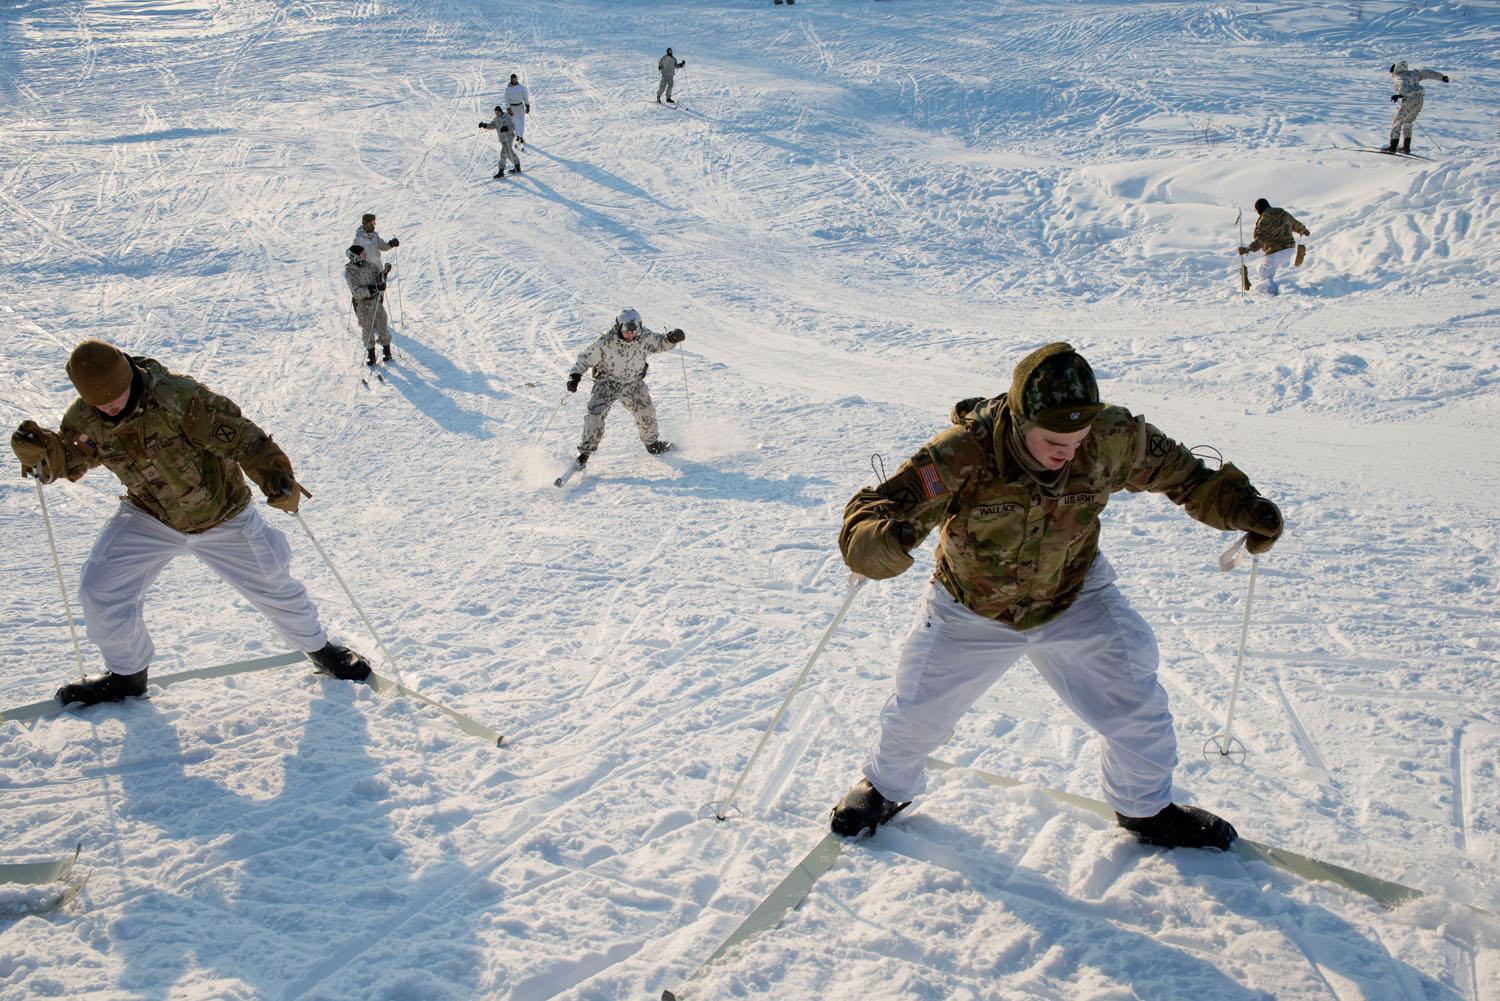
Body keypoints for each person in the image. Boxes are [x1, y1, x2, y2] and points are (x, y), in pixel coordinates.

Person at [830, 342, 1284, 851]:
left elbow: (1187, 477)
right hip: (971, 605)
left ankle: (1145, 809)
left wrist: (1241, 508)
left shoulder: (1113, 436)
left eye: (1079, 433)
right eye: (1053, 438)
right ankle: (886, 788)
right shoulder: (963, 452)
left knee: (1136, 694)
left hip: (1073, 594)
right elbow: (876, 508)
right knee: (918, 708)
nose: (1069, 448)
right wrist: (880, 541)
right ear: (1022, 420)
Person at [9, 340, 374, 708]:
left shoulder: (176, 398)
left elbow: (243, 438)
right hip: (150, 514)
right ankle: (127, 676)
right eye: (99, 404)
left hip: (223, 513)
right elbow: (70, 459)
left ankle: (320, 649)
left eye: (115, 397)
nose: (109, 407)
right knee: (99, 588)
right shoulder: (86, 416)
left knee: (273, 582)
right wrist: (42, 453)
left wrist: (275, 477)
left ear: (127, 377)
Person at [564, 308, 686, 467]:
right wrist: (575, 376)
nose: (631, 335)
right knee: (595, 412)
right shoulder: (605, 342)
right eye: (627, 332)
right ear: (619, 327)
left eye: (634, 331)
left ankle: (652, 444)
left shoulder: (644, 337)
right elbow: (584, 360)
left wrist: (671, 339)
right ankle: (585, 453)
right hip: (607, 381)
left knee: (645, 411)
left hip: (633, 382)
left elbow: (660, 343)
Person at [1238, 198, 1309, 296]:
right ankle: (1283, 288)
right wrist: (1304, 230)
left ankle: (1268, 295)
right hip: (1290, 250)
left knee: (1264, 275)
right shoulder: (1282, 213)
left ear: (1258, 209)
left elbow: (1260, 238)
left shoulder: (1264, 220)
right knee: (1265, 269)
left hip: (1274, 252)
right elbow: (1295, 224)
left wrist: (1249, 249)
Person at [1386, 60, 1449, 153]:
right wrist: (1441, 77)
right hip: (1419, 100)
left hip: (1409, 100)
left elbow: (1403, 84)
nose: (1391, 75)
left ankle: (1392, 147)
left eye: (1391, 73)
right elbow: (1427, 73)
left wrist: (1399, 95)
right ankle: (1406, 147)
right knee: (1408, 121)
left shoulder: (1399, 76)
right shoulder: (1414, 73)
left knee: (1397, 122)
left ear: (1394, 71)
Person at [344, 244, 390, 365]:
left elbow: (378, 278)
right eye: (362, 253)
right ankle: (371, 354)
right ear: (355, 256)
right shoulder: (350, 272)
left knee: (382, 324)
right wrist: (375, 288)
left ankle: (387, 351)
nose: (365, 254)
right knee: (367, 329)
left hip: (375, 302)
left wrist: (384, 273)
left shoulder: (370, 266)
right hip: (363, 305)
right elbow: (357, 292)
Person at [479, 105, 522, 178]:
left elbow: (512, 127)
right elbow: (492, 125)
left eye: (498, 112)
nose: (496, 114)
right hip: (502, 139)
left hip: (508, 138)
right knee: (509, 153)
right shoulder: (496, 119)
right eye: (495, 113)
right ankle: (517, 166)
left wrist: (506, 128)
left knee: (503, 153)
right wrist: (484, 125)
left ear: (500, 112)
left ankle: (501, 171)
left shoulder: (506, 117)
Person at [504, 73, 531, 145]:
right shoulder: (508, 89)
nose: (515, 80)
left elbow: (525, 97)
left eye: (516, 78)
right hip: (512, 107)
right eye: (514, 79)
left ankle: (521, 136)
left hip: (520, 106)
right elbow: (506, 100)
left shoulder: (521, 88)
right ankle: (517, 135)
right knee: (515, 122)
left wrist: (527, 105)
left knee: (521, 122)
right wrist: (508, 109)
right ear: (511, 79)